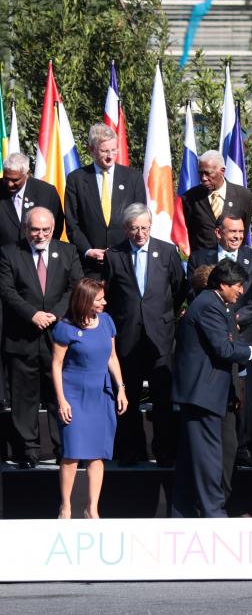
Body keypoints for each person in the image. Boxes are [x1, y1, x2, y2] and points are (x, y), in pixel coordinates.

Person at [171, 260, 252, 518]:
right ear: (223, 284)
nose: (241, 291)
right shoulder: (208, 306)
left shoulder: (218, 304)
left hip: (210, 393)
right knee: (207, 457)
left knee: (193, 457)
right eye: (238, 286)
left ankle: (185, 511)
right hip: (201, 394)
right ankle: (213, 512)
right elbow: (224, 349)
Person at [102, 204, 188, 466]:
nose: (140, 233)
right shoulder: (114, 255)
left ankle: (163, 451)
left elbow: (179, 288)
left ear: (151, 226)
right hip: (127, 336)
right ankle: (130, 451)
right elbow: (111, 293)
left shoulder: (167, 251)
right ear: (126, 228)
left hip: (160, 335)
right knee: (128, 396)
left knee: (162, 398)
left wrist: (162, 315)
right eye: (134, 228)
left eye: (144, 227)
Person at [0, 207, 83, 468]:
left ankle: (63, 449)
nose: (40, 234)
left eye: (46, 229)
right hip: (22, 337)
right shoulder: (9, 252)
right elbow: (6, 289)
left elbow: (76, 286)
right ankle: (28, 451)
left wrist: (54, 315)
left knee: (59, 395)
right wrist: (32, 314)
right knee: (24, 399)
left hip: (56, 339)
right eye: (35, 229)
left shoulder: (67, 251)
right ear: (26, 229)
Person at [188, 214, 252, 469]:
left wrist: (236, 318)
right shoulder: (200, 258)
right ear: (218, 233)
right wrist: (222, 318)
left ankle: (242, 447)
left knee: (244, 393)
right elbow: (194, 292)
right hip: (211, 338)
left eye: (240, 231)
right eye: (231, 231)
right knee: (218, 390)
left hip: (244, 335)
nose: (236, 236)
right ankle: (217, 450)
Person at [51, 278, 128, 518]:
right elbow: (56, 364)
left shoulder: (106, 322)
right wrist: (62, 400)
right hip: (74, 394)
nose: (104, 302)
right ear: (85, 301)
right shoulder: (65, 327)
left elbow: (112, 357)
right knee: (72, 454)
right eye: (99, 299)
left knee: (97, 455)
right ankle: (66, 506)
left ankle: (92, 508)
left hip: (100, 394)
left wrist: (121, 388)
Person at [64, 124, 147, 277]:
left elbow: (140, 218)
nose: (110, 155)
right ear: (91, 150)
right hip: (90, 266)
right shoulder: (76, 179)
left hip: (125, 261)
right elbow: (72, 223)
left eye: (114, 150)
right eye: (104, 151)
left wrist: (125, 248)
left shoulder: (133, 177)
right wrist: (88, 250)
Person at [181, 150, 252, 253]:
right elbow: (192, 235)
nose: (203, 178)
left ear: (222, 171)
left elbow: (244, 233)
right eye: (200, 173)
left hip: (232, 264)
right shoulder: (190, 198)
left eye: (208, 173)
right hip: (204, 264)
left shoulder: (243, 196)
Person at [1, 152, 64, 246]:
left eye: (15, 180)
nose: (9, 184)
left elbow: (56, 225)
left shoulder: (46, 192)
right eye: (6, 179)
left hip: (37, 255)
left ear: (26, 175)